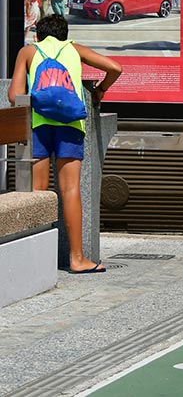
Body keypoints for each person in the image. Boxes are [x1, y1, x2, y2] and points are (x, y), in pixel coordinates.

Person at [8, 14, 123, 274]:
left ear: (38, 34)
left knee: (37, 192)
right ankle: (77, 259)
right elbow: (115, 67)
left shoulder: (28, 51)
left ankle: (35, 263)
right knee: (70, 189)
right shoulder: (74, 49)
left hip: (38, 126)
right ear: (65, 34)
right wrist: (100, 89)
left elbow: (14, 96)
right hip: (70, 126)